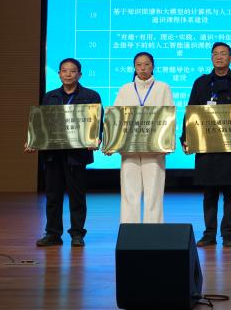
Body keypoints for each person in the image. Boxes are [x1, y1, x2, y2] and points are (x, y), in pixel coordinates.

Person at [181, 42, 231, 248]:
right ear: (211, 58)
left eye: (223, 54)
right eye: (215, 54)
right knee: (209, 193)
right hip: (207, 147)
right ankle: (209, 234)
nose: (219, 57)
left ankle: (228, 234)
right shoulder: (201, 83)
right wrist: (186, 138)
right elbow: (191, 112)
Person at [25, 58, 101, 247]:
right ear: (59, 74)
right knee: (53, 196)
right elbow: (41, 124)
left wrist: (96, 138)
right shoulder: (50, 96)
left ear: (79, 74)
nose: (68, 74)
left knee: (77, 196)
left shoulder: (90, 96)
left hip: (77, 155)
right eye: (64, 71)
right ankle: (53, 234)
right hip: (53, 154)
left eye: (72, 71)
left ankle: (77, 234)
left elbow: (97, 122)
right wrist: (33, 140)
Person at [112, 52, 174, 224]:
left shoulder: (163, 87)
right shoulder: (125, 88)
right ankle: (129, 229)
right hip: (129, 149)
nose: (143, 68)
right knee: (129, 191)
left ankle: (153, 230)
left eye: (146, 64)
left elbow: (169, 115)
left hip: (155, 149)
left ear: (153, 66)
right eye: (139, 65)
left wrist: (168, 143)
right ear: (134, 67)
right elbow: (115, 117)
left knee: (154, 192)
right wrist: (113, 143)